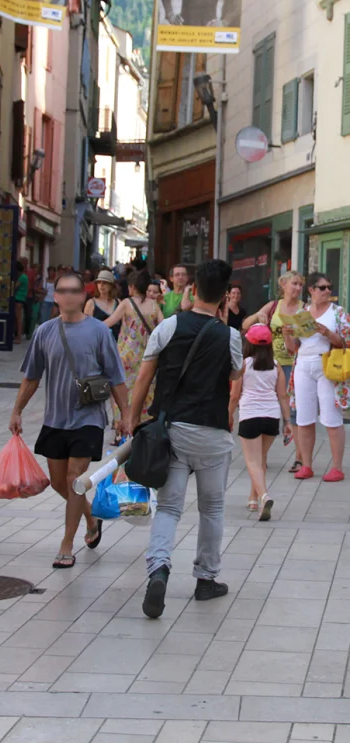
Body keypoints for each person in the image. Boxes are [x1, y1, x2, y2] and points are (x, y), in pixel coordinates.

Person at [129, 259, 243, 619]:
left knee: (169, 507)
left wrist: (131, 418)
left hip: (174, 431)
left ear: (192, 290)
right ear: (224, 296)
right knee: (212, 508)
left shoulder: (168, 326)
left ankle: (159, 570)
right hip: (212, 434)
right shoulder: (230, 336)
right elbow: (236, 373)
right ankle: (206, 579)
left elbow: (144, 377)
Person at [9, 272, 129, 569]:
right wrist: (17, 410)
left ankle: (66, 545)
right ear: (57, 296)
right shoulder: (44, 332)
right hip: (55, 418)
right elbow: (32, 377)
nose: (69, 296)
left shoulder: (99, 332)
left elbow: (116, 377)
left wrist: (125, 415)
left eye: (75, 291)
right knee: (58, 482)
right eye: (63, 291)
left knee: (76, 479)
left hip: (88, 417)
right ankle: (90, 516)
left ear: (83, 296)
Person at [287, 272, 350, 482]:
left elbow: (345, 342)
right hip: (304, 364)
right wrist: (288, 333)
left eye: (329, 287)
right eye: (322, 287)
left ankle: (337, 467)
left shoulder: (338, 312)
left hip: (328, 365)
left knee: (332, 418)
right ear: (312, 290)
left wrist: (326, 333)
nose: (327, 291)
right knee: (304, 418)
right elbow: (293, 348)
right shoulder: (303, 313)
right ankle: (306, 465)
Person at [243, 271, 305, 473]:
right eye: (294, 283)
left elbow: (304, 342)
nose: (297, 288)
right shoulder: (273, 306)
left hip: (295, 364)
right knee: (266, 408)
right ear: (284, 285)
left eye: (300, 285)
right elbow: (245, 326)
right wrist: (257, 316)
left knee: (295, 411)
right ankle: (262, 457)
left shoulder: (304, 310)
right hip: (270, 364)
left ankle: (299, 457)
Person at [228, 324, 292, 520]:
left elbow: (234, 395)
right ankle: (253, 499)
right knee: (261, 459)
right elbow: (282, 396)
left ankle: (264, 496)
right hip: (272, 418)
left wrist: (228, 416)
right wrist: (287, 422)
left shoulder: (244, 365)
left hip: (250, 417)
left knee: (252, 461)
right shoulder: (276, 365)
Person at [105, 270, 163, 441]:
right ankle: (139, 427)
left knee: (121, 392)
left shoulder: (126, 303)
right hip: (148, 358)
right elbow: (163, 327)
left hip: (125, 357)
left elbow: (109, 323)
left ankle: (121, 429)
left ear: (131, 287)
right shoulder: (154, 305)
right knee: (145, 392)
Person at [84, 269, 120, 341]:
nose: (101, 285)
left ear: (111, 285)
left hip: (116, 344)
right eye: (99, 282)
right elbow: (86, 327)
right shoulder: (91, 303)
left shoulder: (118, 302)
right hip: (97, 343)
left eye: (105, 283)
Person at [14, 260, 29, 344]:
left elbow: (15, 286)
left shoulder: (22, 277)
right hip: (21, 298)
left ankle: (18, 337)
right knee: (18, 318)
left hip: (19, 298)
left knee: (18, 318)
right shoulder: (24, 277)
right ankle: (17, 335)